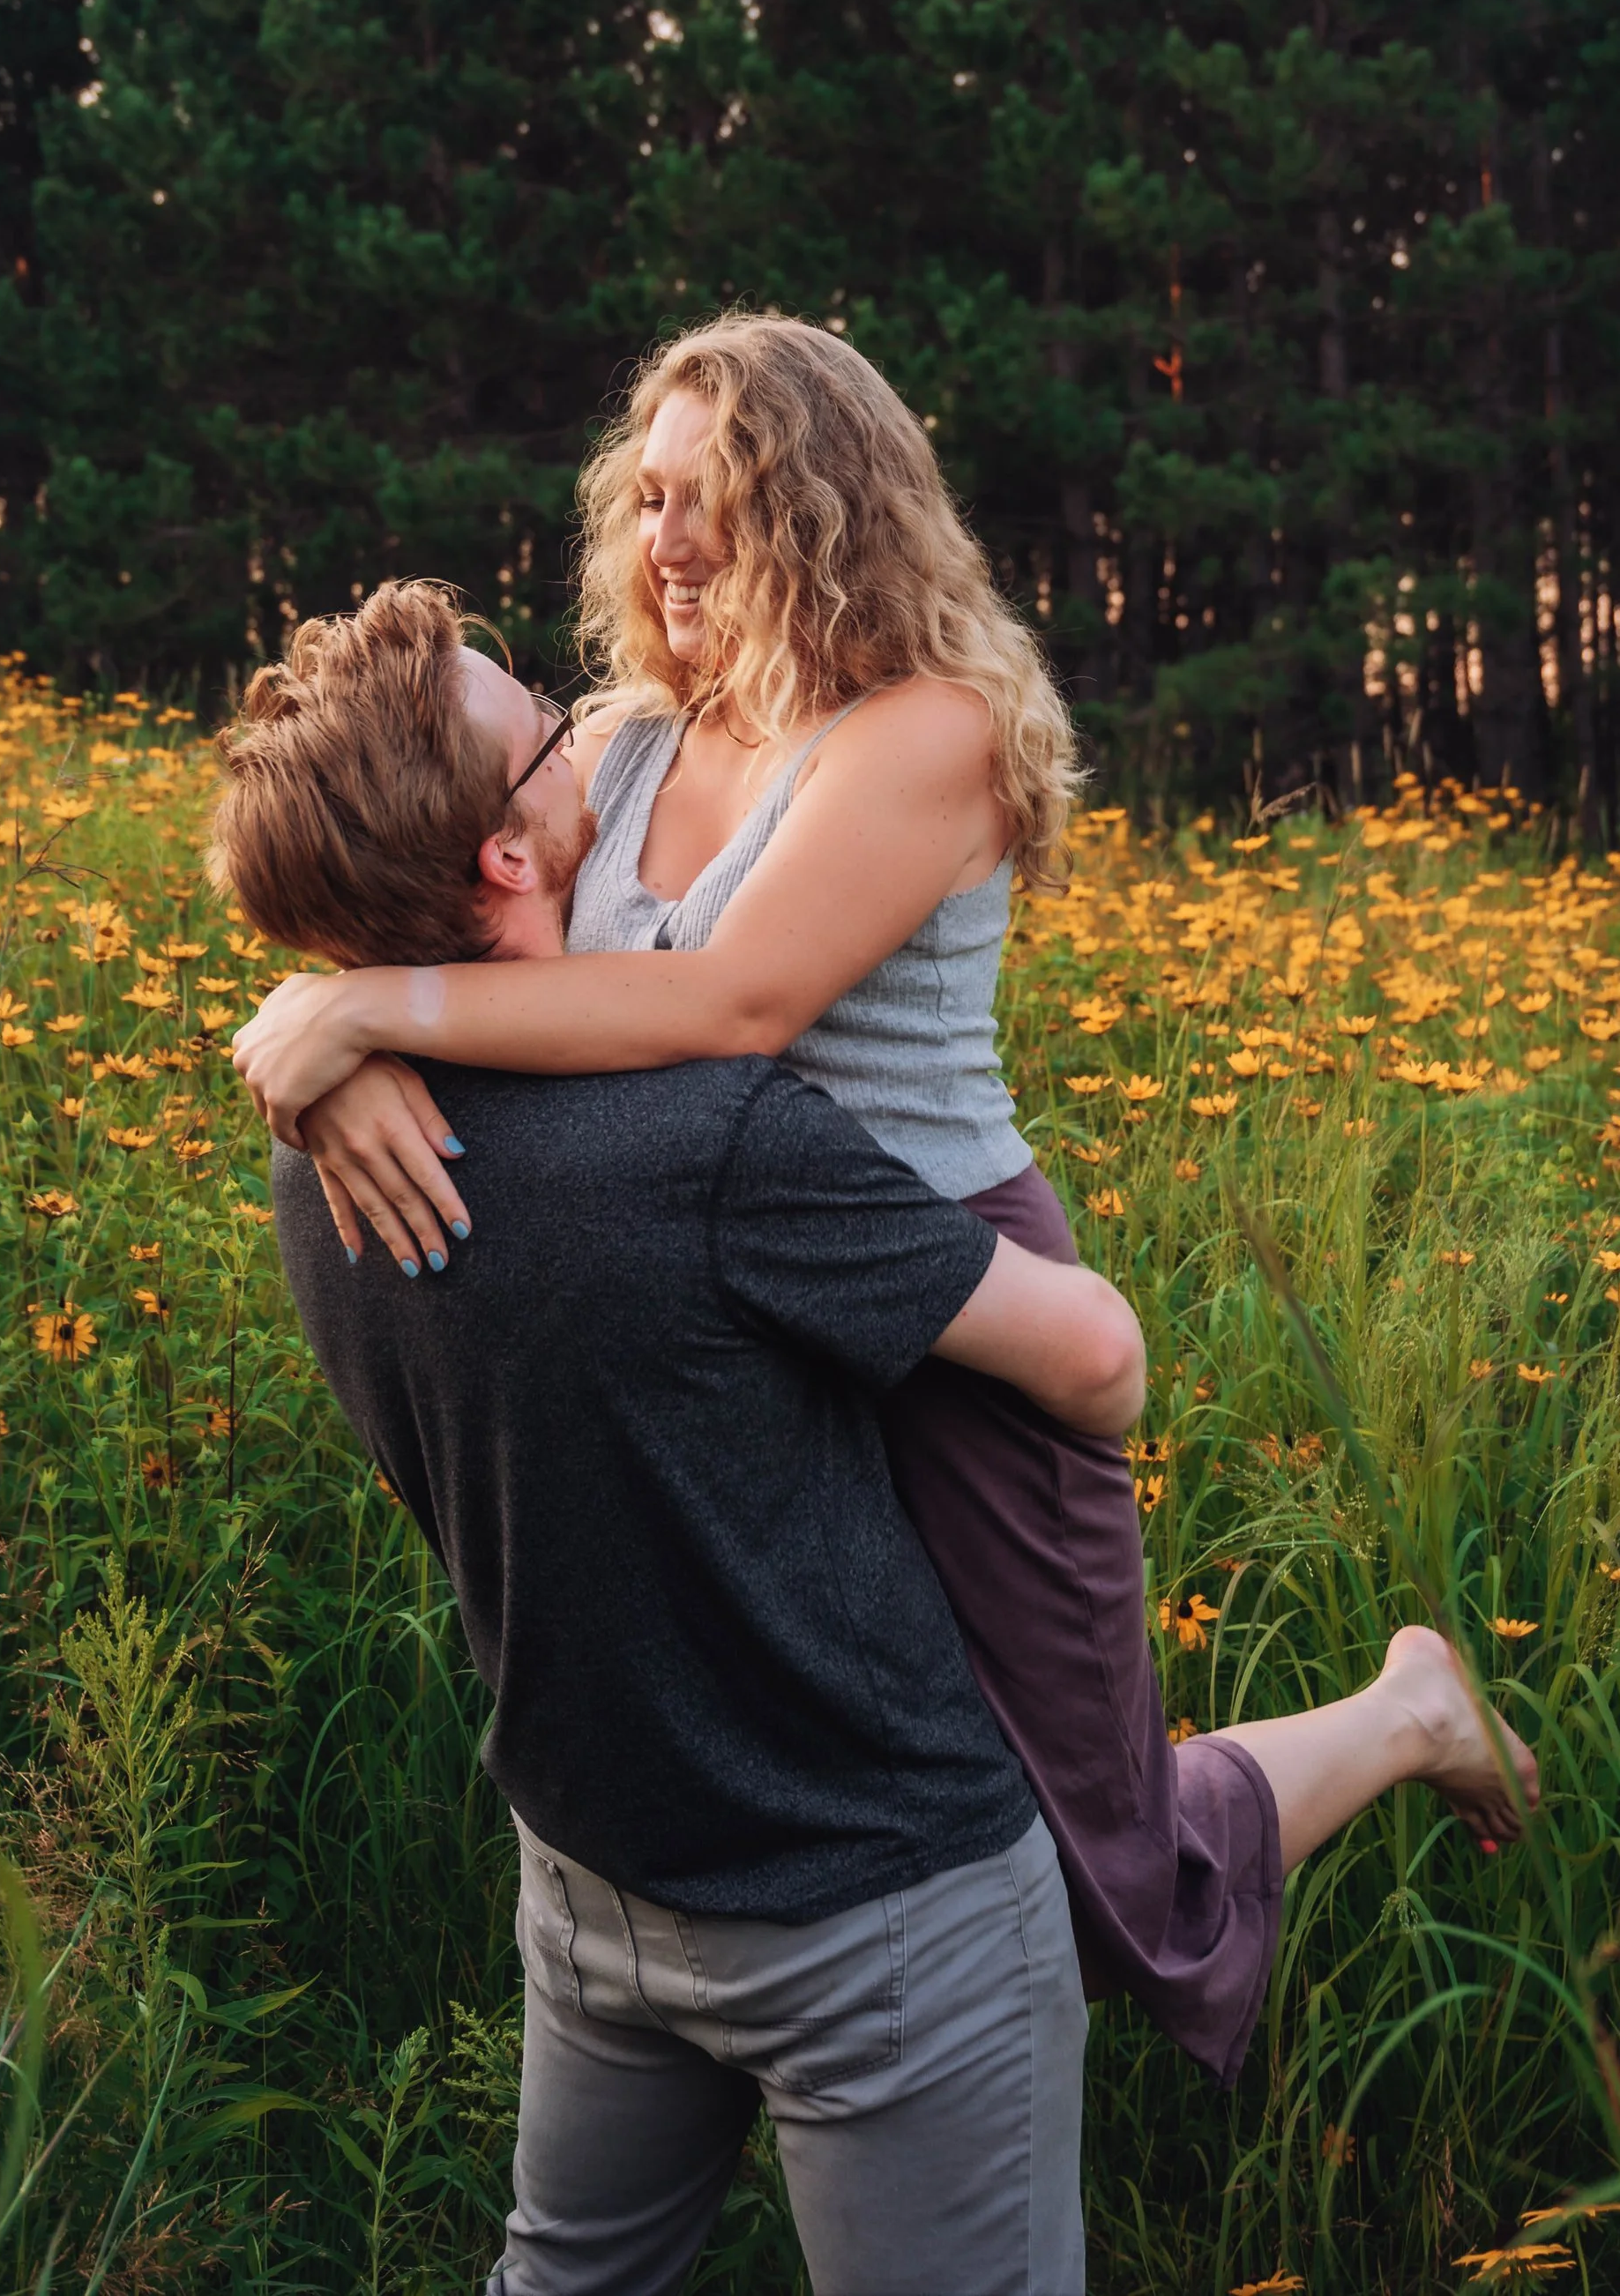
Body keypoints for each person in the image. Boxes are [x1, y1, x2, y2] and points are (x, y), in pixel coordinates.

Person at [232, 319, 1540, 2089]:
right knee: (903, 1824)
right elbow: (440, 898)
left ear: (833, 513)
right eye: (650, 494)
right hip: (748, 1321)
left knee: (1089, 1880)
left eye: (721, 497)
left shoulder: (921, 739)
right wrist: (331, 1046)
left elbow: (728, 1013)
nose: (667, 535)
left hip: (959, 1318)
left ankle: (1403, 1712)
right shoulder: (615, 746)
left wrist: (370, 1017)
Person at [214, 589, 1140, 2292]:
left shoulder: (319, 1148)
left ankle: (1390, 1719)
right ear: (508, 857)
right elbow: (1100, 1362)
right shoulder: (704, 1144)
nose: (592, 733)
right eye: (553, 736)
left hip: (592, 1883)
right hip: (875, 1896)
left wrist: (335, 1018)